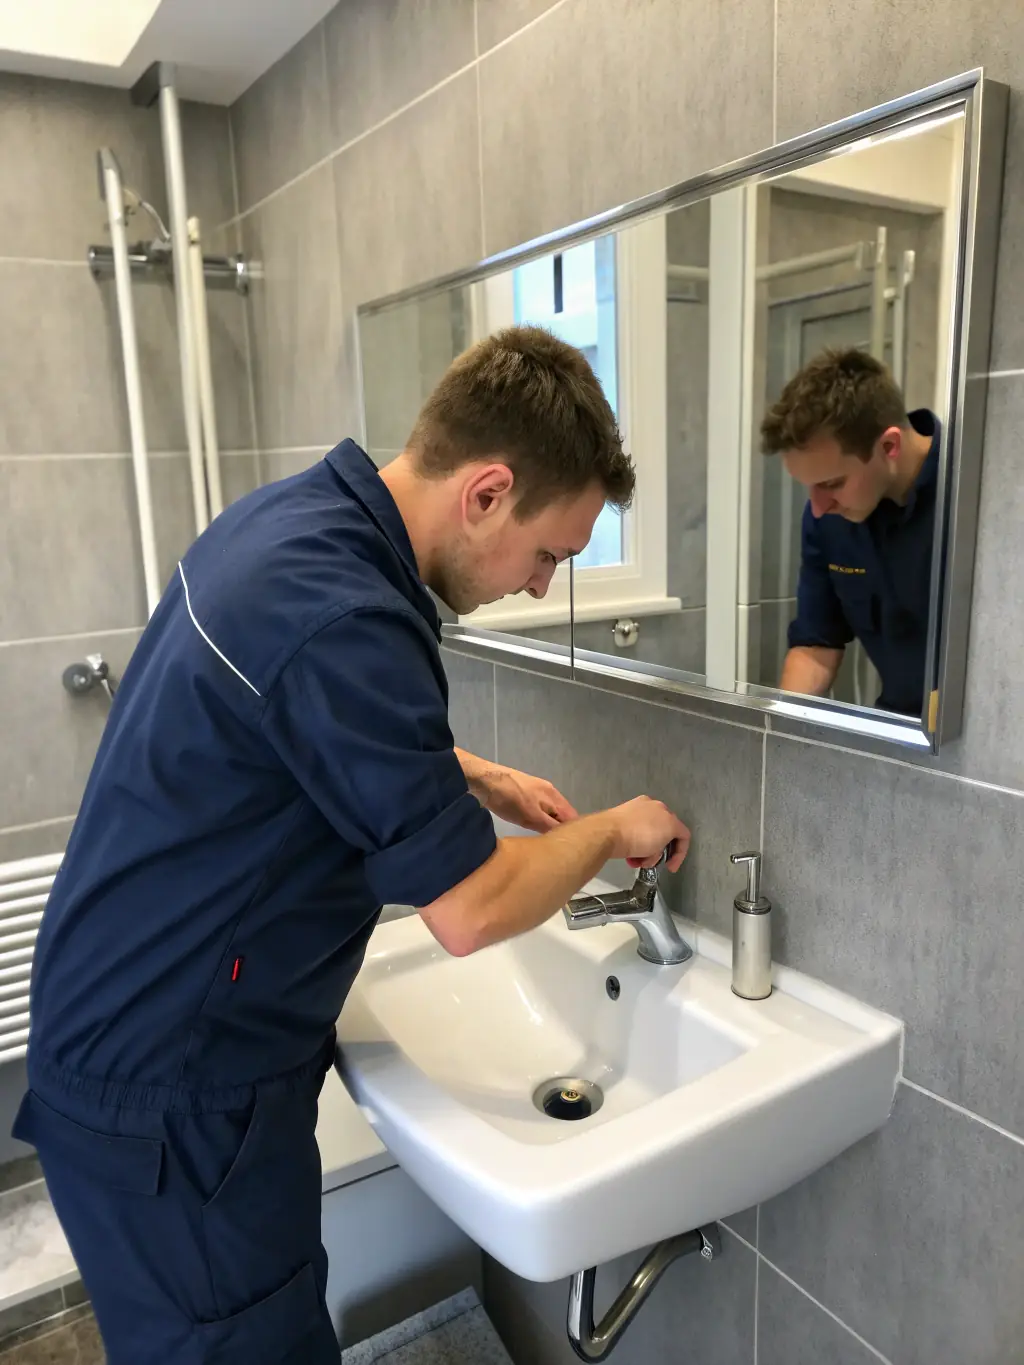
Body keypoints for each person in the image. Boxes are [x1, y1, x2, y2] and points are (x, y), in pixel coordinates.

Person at [14, 325, 691, 1365]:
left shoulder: (295, 526)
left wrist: (473, 772)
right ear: (485, 493)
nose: (541, 587)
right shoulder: (350, 613)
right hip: (175, 1100)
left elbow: (289, 720)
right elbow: (466, 913)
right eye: (549, 552)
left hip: (126, 1046)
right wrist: (613, 829)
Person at [760, 347, 942, 716]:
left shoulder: (977, 500)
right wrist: (780, 737)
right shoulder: (828, 516)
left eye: (831, 482)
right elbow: (816, 646)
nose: (817, 507)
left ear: (889, 446)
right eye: (808, 487)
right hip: (895, 730)